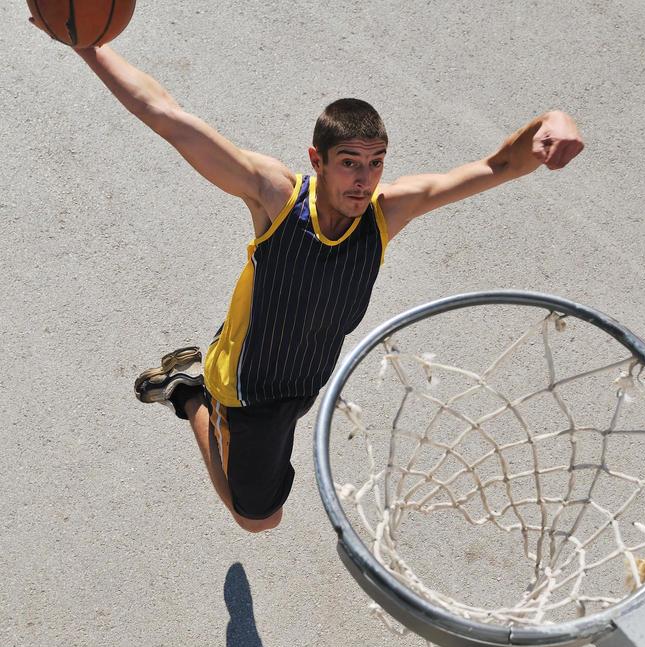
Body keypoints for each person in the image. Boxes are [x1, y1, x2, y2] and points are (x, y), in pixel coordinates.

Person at [30, 23, 584, 533]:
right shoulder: (275, 197)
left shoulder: (386, 214)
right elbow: (169, 118)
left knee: (261, 506)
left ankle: (195, 398)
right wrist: (89, 48)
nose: (363, 179)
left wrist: (548, 124)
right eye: (349, 162)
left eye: (375, 162)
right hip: (247, 390)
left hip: (305, 380)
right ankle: (189, 397)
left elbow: (495, 167)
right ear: (317, 158)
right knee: (256, 519)